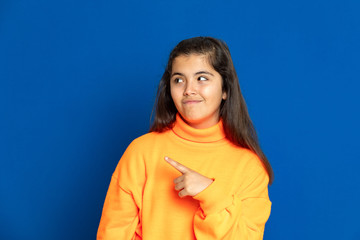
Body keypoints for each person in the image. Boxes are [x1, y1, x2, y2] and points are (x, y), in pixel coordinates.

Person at [97, 36, 273, 240]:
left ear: (225, 89)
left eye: (202, 78)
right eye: (179, 80)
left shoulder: (250, 167)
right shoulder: (141, 152)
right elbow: (113, 232)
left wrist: (211, 194)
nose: (189, 90)